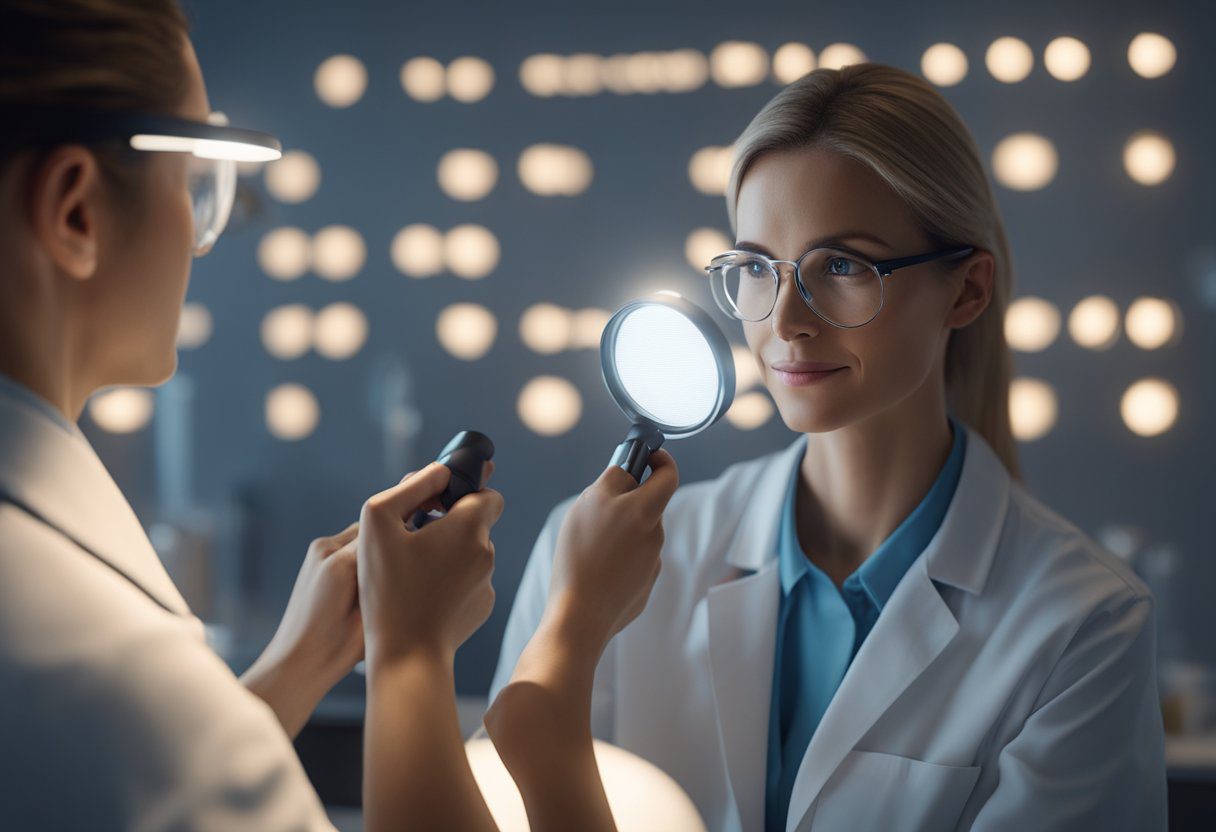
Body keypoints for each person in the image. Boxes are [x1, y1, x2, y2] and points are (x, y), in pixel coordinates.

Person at [0, 1, 679, 829]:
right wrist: (431, 658)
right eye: (197, 184)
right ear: (75, 213)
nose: (204, 239)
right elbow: (152, 745)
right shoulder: (101, 664)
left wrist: (294, 669)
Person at [493, 63, 1168, 831]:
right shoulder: (590, 564)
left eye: (841, 265)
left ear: (967, 290)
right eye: (756, 268)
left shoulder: (1084, 626)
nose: (785, 321)